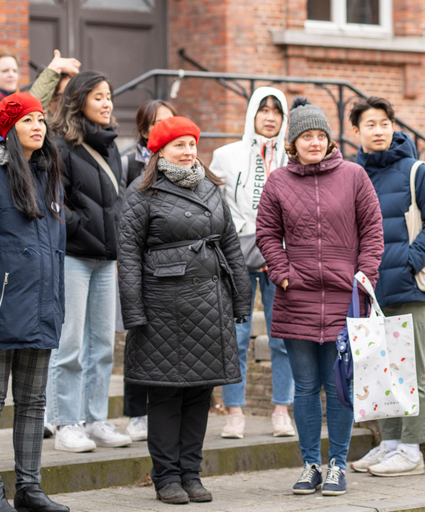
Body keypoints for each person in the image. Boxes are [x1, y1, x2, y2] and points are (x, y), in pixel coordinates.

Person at [118, 116, 252, 505]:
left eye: (192, 144)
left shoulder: (211, 189)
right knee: (165, 394)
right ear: (159, 151)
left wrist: (241, 298)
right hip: (163, 307)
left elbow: (229, 244)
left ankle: (191, 473)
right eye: (179, 145)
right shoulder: (141, 194)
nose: (188, 151)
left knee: (198, 394)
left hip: (210, 305)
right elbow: (127, 257)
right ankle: (166, 477)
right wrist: (134, 313)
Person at [256, 97, 384, 496]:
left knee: (339, 386)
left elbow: (373, 230)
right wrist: (282, 272)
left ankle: (337, 465)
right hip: (297, 298)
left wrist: (365, 275)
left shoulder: (354, 176)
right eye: (305, 136)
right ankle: (310, 463)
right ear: (292, 143)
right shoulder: (278, 181)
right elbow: (265, 233)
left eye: (320, 135)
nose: (314, 142)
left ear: (330, 140)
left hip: (345, 299)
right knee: (306, 387)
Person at [0, 93, 69, 512]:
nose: (38, 126)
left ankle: (29, 488)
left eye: (41, 119)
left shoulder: (48, 177)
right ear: (8, 128)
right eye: (28, 119)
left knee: (33, 403)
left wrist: (56, 304)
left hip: (41, 309)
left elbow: (53, 251)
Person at [348, 96, 425, 476]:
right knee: (379, 370)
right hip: (368, 290)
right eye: (370, 124)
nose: (379, 130)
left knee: (410, 371)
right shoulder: (350, 173)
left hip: (408, 288)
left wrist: (410, 261)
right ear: (355, 131)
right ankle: (389, 444)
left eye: (384, 123)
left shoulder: (417, 171)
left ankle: (411, 450)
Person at [45, 71, 131, 452]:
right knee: (71, 343)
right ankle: (66, 421)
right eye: (98, 96)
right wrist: (84, 228)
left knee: (102, 344)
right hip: (76, 256)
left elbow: (117, 199)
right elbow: (53, 203)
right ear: (79, 100)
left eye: (109, 96)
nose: (107, 103)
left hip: (107, 257)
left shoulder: (110, 144)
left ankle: (96, 419)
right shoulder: (59, 144)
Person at [209, 87, 295, 439]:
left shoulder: (295, 157)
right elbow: (214, 204)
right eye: (264, 109)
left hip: (284, 258)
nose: (270, 117)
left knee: (283, 336)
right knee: (235, 336)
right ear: (252, 114)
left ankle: (281, 410)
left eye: (277, 110)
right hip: (237, 255)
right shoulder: (226, 155)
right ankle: (235, 413)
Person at [117, 99, 177, 442]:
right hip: (141, 266)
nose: (166, 128)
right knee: (138, 343)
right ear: (143, 131)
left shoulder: (184, 161)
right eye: (158, 123)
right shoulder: (130, 165)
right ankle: (136, 412)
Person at [121, 99, 177, 189]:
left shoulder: (186, 159)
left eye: (171, 122)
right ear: (144, 132)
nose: (168, 127)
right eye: (160, 123)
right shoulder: (127, 165)